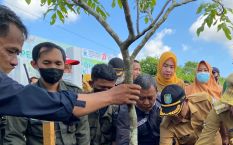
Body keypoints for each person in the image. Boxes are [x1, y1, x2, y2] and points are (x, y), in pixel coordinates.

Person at [0, 5, 140, 122]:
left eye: (17, 53)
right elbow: (51, 103)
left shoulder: (74, 91)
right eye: (10, 51)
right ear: (35, 64)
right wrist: (110, 96)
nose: (14, 62)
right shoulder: (26, 93)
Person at [155, 51, 185, 145]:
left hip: (173, 129)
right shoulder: (153, 83)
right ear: (160, 66)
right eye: (165, 66)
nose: (168, 70)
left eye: (172, 67)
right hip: (154, 129)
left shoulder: (179, 83)